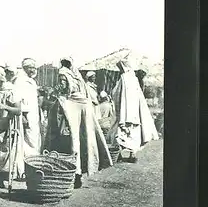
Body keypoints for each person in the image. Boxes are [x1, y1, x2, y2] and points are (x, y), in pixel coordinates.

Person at [45, 57, 112, 188]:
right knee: (83, 141)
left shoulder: (63, 75)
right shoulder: (78, 80)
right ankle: (78, 174)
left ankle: (71, 173)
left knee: (71, 143)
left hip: (68, 117)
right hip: (79, 112)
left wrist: (54, 94)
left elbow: (64, 89)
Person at [107, 60, 159, 163]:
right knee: (134, 134)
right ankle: (132, 155)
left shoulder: (124, 78)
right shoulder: (134, 79)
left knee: (120, 134)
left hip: (123, 111)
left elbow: (117, 93)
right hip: (134, 112)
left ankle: (119, 154)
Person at [11, 58, 41, 157]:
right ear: (25, 68)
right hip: (26, 115)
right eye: (31, 68)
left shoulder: (31, 81)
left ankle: (34, 160)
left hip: (33, 115)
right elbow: (18, 99)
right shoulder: (20, 81)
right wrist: (23, 116)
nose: (33, 70)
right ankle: (28, 162)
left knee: (34, 139)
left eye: (34, 68)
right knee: (27, 140)